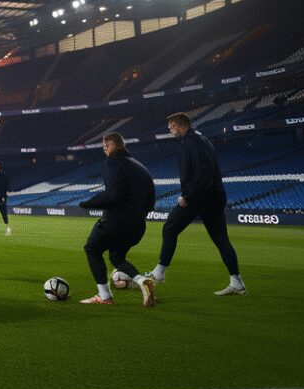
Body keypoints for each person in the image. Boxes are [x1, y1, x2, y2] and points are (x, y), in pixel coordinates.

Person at [146, 113, 246, 296]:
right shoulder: (198, 139)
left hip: (201, 197)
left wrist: (188, 196)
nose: (169, 130)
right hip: (212, 196)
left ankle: (159, 273)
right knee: (220, 239)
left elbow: (204, 172)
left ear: (179, 125)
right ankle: (237, 282)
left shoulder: (193, 141)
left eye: (171, 126)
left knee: (170, 227)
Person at [77, 133, 157, 307]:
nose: (104, 149)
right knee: (117, 257)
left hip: (116, 221)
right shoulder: (140, 167)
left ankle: (105, 296)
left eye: (105, 146)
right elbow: (151, 201)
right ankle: (142, 280)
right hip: (138, 225)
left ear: (112, 144)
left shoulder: (112, 163)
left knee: (92, 249)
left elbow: (113, 194)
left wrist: (87, 203)